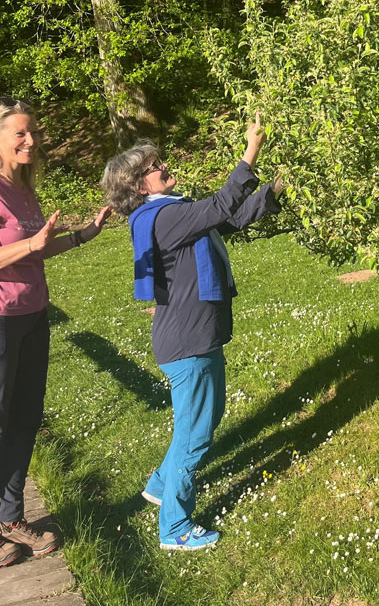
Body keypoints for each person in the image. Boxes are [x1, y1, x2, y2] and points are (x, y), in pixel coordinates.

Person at [100, 113, 283, 551]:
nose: (164, 166)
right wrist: (251, 153)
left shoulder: (169, 213)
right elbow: (220, 206)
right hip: (188, 341)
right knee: (195, 437)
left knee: (206, 419)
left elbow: (228, 220)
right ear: (139, 186)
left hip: (194, 336)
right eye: (155, 167)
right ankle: (175, 527)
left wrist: (275, 190)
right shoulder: (163, 218)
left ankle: (159, 485)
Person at [0, 97, 111, 570]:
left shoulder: (22, 188)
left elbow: (34, 250)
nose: (31, 140)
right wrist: (30, 244)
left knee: (23, 419)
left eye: (33, 131)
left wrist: (81, 235)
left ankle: (8, 519)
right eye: (20, 133)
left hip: (32, 315)